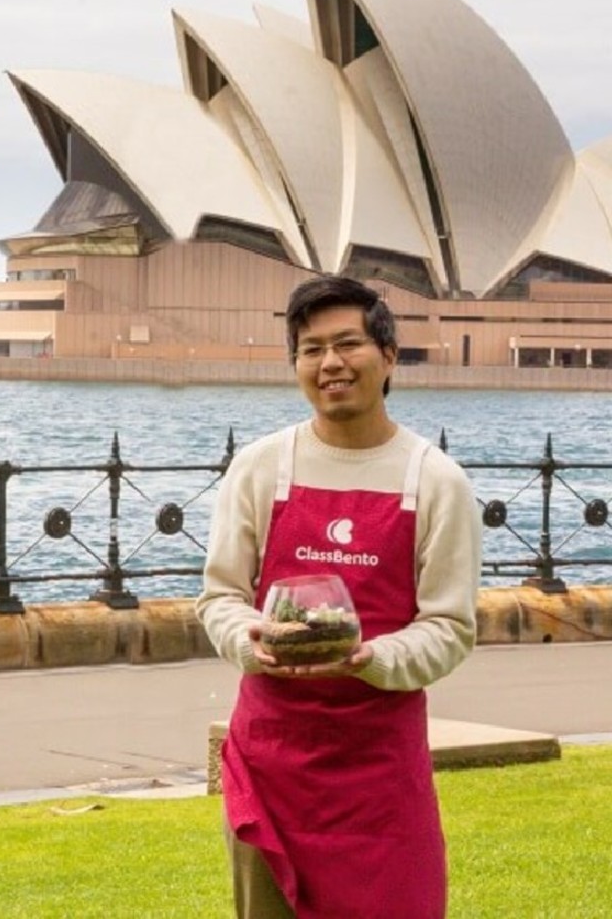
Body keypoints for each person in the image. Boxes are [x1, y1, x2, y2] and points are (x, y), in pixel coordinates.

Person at [195, 275, 481, 919]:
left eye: (348, 343)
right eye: (310, 348)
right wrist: (251, 638)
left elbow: (449, 626)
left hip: (378, 772)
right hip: (271, 757)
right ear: (295, 364)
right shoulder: (263, 467)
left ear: (389, 355)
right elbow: (220, 596)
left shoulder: (434, 480)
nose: (330, 363)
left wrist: (371, 658)